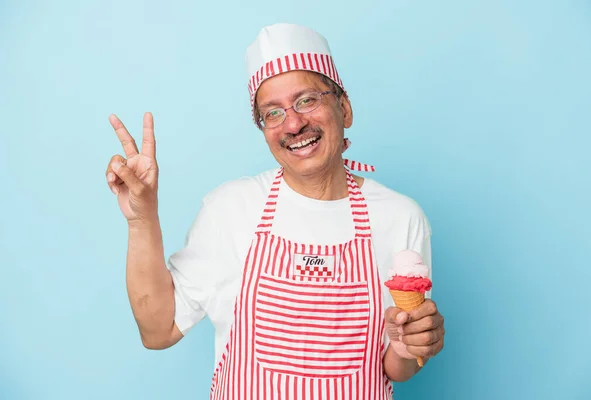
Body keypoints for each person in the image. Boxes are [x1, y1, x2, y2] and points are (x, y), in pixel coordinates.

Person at [105, 23, 445, 399]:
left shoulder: (399, 217)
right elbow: (157, 331)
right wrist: (142, 218)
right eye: (273, 113)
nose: (294, 124)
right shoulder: (231, 209)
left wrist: (411, 344)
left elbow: (395, 367)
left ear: (344, 108)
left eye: (307, 100)